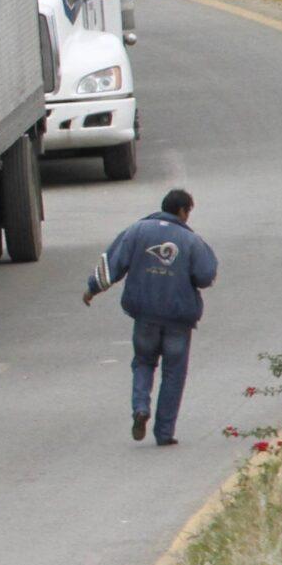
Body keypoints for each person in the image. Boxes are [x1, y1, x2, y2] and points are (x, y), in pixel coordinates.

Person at [84, 187, 220, 446]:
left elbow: (111, 264)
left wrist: (92, 289)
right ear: (183, 211)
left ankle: (140, 408)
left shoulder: (136, 231)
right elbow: (205, 276)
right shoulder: (192, 241)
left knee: (143, 362)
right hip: (177, 319)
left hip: (145, 316)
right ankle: (164, 433)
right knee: (173, 373)